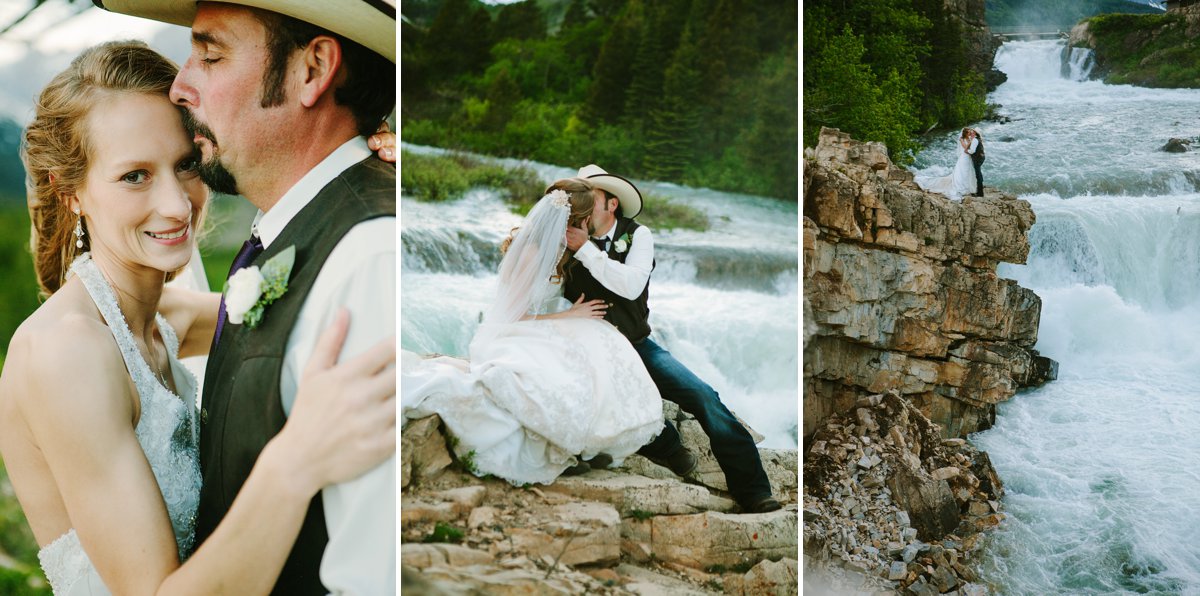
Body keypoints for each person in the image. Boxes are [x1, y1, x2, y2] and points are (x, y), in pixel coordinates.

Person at [0, 40, 397, 596]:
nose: (177, 204)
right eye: (134, 175)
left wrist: (359, 162)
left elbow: (306, 313)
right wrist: (296, 461)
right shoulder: (68, 353)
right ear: (71, 194)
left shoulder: (163, 316)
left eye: (186, 164)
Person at [402, 180, 664, 484]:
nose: (590, 222)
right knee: (558, 373)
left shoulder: (560, 249)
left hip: (539, 328)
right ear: (573, 221)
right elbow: (514, 317)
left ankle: (589, 441)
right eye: (585, 217)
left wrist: (572, 314)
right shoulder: (530, 252)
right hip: (511, 333)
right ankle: (566, 445)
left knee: (595, 346)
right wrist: (568, 315)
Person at [562, 165, 782, 514]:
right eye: (579, 202)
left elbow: (631, 285)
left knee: (703, 396)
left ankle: (753, 490)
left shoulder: (638, 236)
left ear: (612, 204)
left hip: (636, 344)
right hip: (591, 348)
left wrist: (587, 250)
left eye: (591, 200)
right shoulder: (567, 239)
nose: (583, 209)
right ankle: (663, 444)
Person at [914, 128, 978, 200]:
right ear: (965, 133)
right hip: (963, 157)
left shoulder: (969, 139)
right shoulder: (961, 139)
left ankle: (967, 186)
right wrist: (971, 141)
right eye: (969, 132)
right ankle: (960, 186)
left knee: (967, 171)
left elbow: (971, 148)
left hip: (968, 157)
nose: (970, 134)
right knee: (961, 171)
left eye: (970, 132)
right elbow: (965, 147)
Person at [969, 128, 985, 197]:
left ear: (975, 133)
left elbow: (972, 151)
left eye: (973, 132)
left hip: (977, 159)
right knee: (979, 174)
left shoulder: (975, 140)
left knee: (978, 175)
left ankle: (980, 193)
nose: (971, 133)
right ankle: (980, 190)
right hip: (981, 158)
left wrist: (967, 151)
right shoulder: (978, 139)